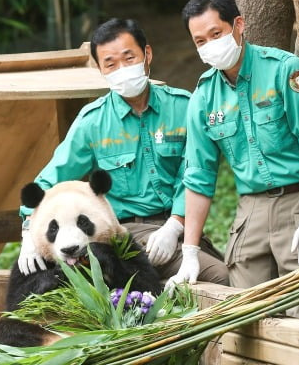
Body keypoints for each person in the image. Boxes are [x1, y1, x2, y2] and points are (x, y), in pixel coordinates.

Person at [167, 0, 299, 324]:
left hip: (298, 203)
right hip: (251, 213)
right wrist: (189, 252)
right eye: (200, 41)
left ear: (239, 25)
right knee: (247, 321)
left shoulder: (284, 70)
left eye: (216, 34)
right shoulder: (203, 97)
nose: (209, 45)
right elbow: (199, 176)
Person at [17, 18, 228, 286]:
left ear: (147, 55)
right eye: (111, 64)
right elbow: (48, 180)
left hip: (177, 227)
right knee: (217, 277)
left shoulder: (183, 107)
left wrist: (174, 225)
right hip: (122, 233)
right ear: (100, 68)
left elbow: (193, 173)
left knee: (223, 274)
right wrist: (28, 233)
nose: (122, 69)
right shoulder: (93, 122)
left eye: (129, 58)